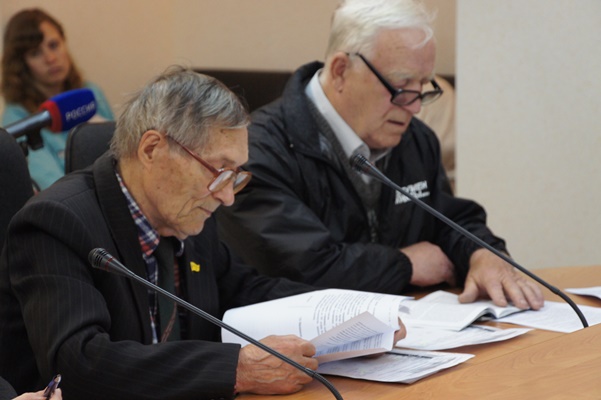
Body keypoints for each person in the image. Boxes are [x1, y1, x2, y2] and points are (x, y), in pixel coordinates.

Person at [0, 67, 402, 399]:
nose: (227, 196)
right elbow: (80, 363)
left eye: (236, 175)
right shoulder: (56, 223)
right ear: (152, 149)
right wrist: (235, 370)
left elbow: (243, 289)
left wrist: (360, 312)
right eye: (219, 171)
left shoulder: (185, 214)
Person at [216, 0, 544, 311]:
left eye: (423, 87)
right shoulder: (258, 151)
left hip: (413, 331)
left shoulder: (414, 137)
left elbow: (445, 219)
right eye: (401, 87)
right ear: (341, 70)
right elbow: (302, 268)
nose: (414, 107)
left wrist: (481, 253)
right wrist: (405, 265)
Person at [1, 8, 114, 191]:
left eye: (54, 45)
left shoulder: (90, 92)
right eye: (35, 53)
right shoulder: (18, 118)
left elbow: (120, 151)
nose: (50, 58)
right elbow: (54, 186)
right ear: (21, 64)